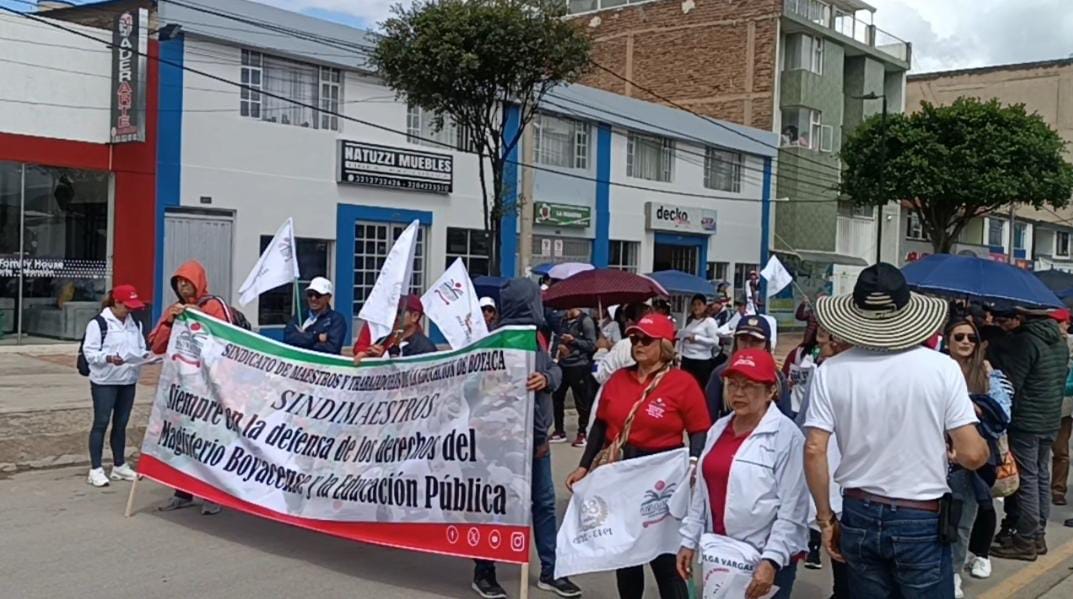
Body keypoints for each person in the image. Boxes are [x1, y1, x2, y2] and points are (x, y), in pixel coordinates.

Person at [804, 263, 989, 598]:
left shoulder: (830, 371)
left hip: (858, 508)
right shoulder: (941, 368)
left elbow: (815, 448)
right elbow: (973, 455)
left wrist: (825, 519)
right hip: (920, 513)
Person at [567, 314, 711, 599]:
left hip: (660, 476)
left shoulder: (682, 383)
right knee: (626, 555)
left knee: (665, 559)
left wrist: (694, 464)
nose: (638, 344)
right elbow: (601, 425)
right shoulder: (619, 378)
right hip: (621, 472)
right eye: (634, 339)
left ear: (665, 345)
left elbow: (699, 430)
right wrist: (584, 466)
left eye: (646, 340)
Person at [471, 279, 581, 599]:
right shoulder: (496, 342)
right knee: (495, 507)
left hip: (537, 443)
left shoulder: (537, 339)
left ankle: (550, 570)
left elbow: (555, 373)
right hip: (501, 444)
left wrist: (546, 378)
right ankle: (484, 572)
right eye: (536, 299)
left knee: (544, 505)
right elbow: (475, 388)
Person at [677, 349, 809, 599]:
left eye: (748, 386)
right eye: (733, 385)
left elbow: (793, 509)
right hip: (721, 555)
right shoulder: (718, 429)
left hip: (764, 560)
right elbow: (701, 494)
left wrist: (771, 560)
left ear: (771, 391)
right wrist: (689, 540)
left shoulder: (787, 437)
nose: (738, 393)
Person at [150, 259, 233, 515]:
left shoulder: (214, 305)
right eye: (179, 283)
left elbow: (229, 340)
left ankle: (211, 494)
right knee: (181, 441)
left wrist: (200, 317)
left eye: (187, 282)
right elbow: (156, 345)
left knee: (208, 441)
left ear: (198, 282)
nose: (183, 287)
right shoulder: (174, 310)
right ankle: (182, 491)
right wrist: (169, 322)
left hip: (208, 388)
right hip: (181, 389)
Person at [989, 308, 1068, 560]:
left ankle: (1025, 539)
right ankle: (1038, 535)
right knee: (1041, 475)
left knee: (1028, 480)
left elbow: (1013, 382)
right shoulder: (1059, 341)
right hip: (1050, 418)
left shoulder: (1026, 341)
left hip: (1027, 420)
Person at [944, 318, 1013, 595]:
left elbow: (1002, 416)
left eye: (971, 338)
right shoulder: (936, 369)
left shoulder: (987, 373)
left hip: (970, 460)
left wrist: (974, 406)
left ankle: (954, 572)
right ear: (947, 340)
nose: (965, 342)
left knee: (963, 520)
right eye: (959, 337)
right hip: (933, 456)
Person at [793, 328, 852, 597]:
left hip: (843, 483)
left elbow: (810, 440)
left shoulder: (826, 374)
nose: (823, 342)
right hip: (852, 484)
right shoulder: (822, 372)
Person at [82, 284, 147, 488]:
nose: (129, 311)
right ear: (116, 302)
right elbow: (90, 352)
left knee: (121, 424)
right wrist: (109, 358)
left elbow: (141, 347)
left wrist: (144, 357)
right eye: (126, 306)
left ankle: (119, 465)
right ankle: (96, 469)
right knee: (101, 422)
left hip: (128, 380)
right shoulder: (99, 323)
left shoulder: (134, 323)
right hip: (105, 381)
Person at [704, 316, 791, 422]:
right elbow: (708, 417)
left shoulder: (777, 378)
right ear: (736, 341)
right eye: (743, 339)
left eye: (755, 341)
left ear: (766, 344)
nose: (748, 346)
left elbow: (786, 417)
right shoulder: (721, 374)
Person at [551, 307, 597, 447]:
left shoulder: (585, 321)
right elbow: (557, 339)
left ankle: (582, 432)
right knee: (557, 397)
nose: (565, 311)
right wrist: (555, 354)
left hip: (579, 365)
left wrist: (573, 341)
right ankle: (559, 430)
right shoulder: (563, 321)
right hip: (563, 364)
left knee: (581, 402)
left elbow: (591, 345)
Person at [352, 295, 436, 364]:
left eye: (398, 312)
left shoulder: (425, 348)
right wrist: (374, 358)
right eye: (390, 312)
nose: (393, 316)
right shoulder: (385, 337)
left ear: (414, 316)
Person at [282, 276, 347, 355]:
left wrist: (302, 341)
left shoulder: (336, 319)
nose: (313, 298)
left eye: (318, 295)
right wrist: (316, 337)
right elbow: (288, 338)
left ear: (328, 297)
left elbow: (332, 348)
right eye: (310, 294)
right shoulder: (300, 316)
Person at [1050, 309, 1072, 507]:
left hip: (1065, 406)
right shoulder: (1045, 343)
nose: (1058, 327)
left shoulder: (1071, 344)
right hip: (1045, 404)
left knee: (1061, 451)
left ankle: (1058, 489)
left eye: (1061, 323)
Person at [781, 309, 820, 418]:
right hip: (797, 407)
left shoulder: (831, 362)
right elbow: (799, 315)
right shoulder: (798, 352)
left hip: (811, 409)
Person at [678, 293, 720, 389]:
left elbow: (715, 341)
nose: (696, 307)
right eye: (694, 304)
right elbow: (683, 337)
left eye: (699, 304)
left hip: (701, 360)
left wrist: (697, 338)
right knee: (685, 386)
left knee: (698, 387)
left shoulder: (709, 321)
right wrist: (679, 353)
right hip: (686, 358)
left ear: (705, 306)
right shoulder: (689, 320)